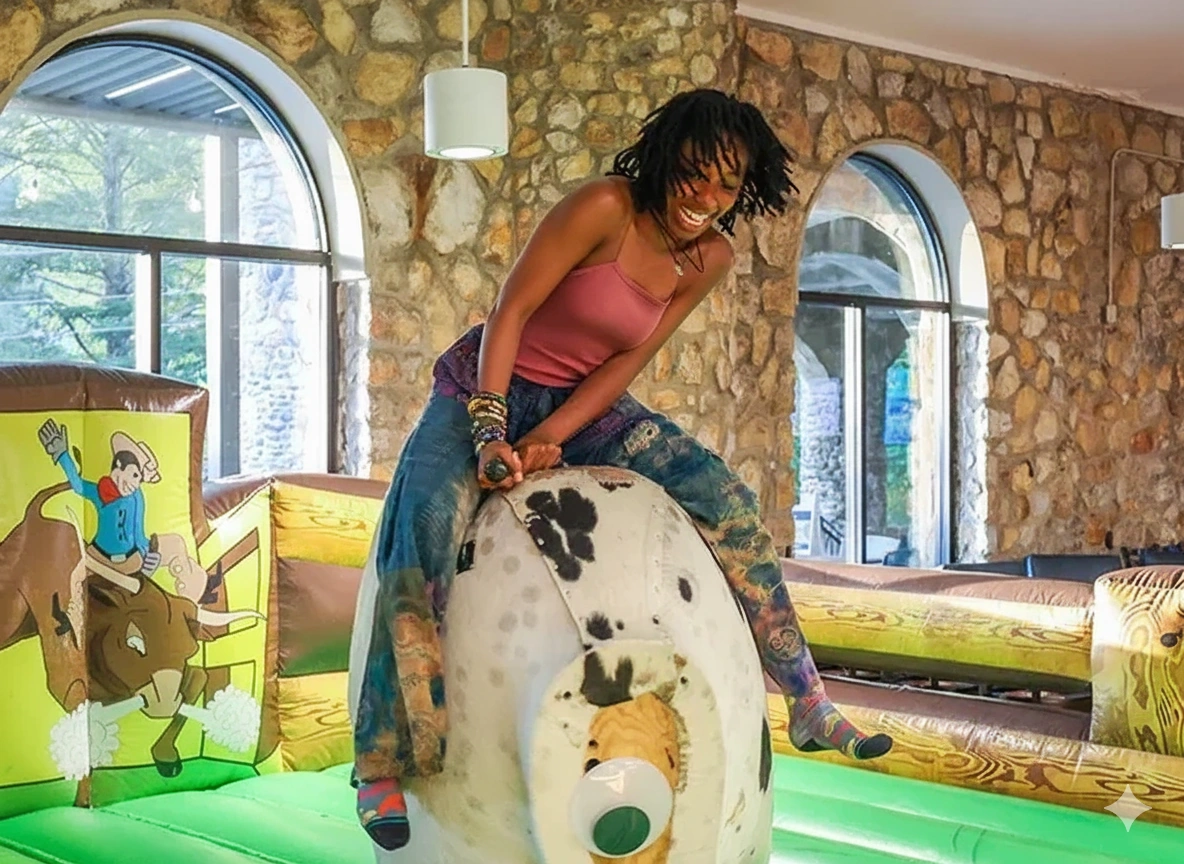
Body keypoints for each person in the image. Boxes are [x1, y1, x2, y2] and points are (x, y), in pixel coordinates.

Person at [351, 87, 893, 851]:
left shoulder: (708, 257)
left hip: (589, 407)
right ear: (667, 159)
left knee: (728, 500)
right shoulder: (604, 209)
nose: (705, 196)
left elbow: (627, 360)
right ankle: (380, 763)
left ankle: (806, 697)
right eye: (694, 174)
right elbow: (510, 310)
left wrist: (558, 438)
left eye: (725, 184)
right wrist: (493, 425)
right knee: (426, 528)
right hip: (488, 384)